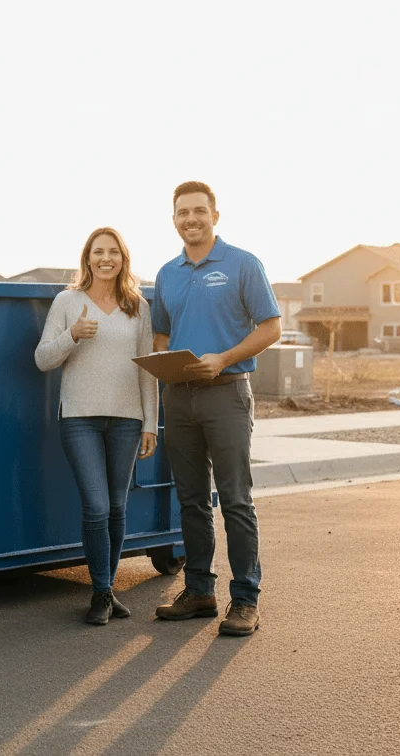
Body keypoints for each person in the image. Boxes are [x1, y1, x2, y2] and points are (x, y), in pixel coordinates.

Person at [150, 181, 281, 636]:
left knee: (235, 500)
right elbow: (161, 333)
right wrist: (163, 357)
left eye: (199, 211)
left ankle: (245, 599)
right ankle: (199, 591)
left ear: (214, 216)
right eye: (183, 212)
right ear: (174, 220)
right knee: (190, 500)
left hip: (227, 392)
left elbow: (271, 327)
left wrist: (224, 358)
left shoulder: (243, 264)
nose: (191, 219)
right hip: (180, 397)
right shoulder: (167, 273)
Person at [36, 227, 159, 625]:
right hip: (81, 418)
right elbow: (42, 359)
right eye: (98, 252)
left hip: (127, 419)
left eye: (113, 252)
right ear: (87, 258)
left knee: (119, 508)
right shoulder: (67, 302)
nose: (106, 258)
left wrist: (150, 423)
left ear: (123, 258)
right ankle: (101, 592)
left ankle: (108, 589)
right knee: (97, 506)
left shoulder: (137, 307)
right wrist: (72, 335)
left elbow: (148, 370)